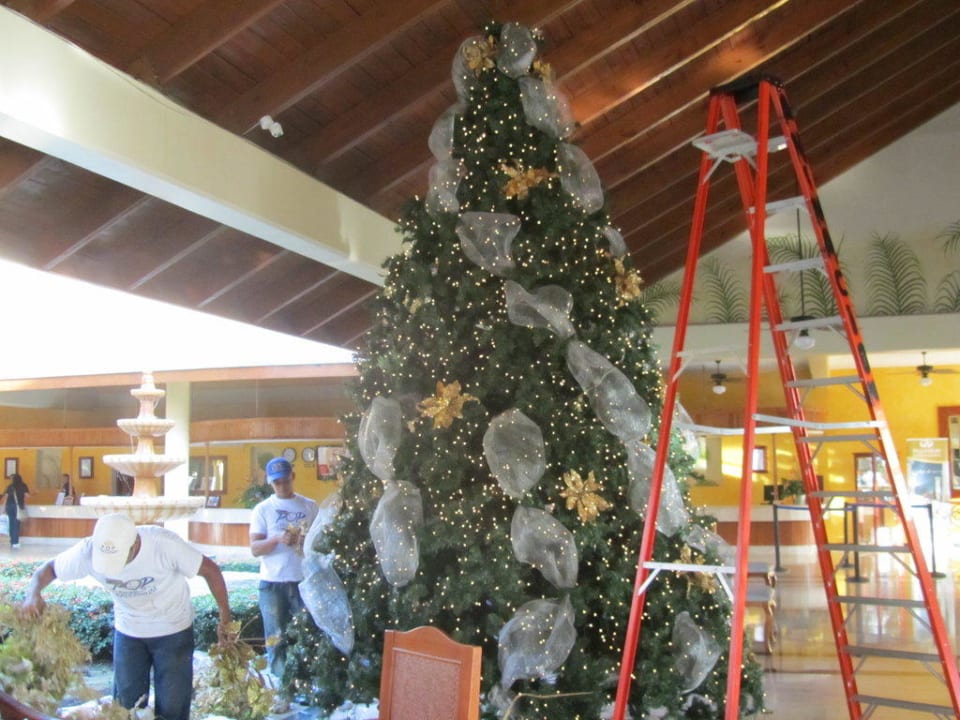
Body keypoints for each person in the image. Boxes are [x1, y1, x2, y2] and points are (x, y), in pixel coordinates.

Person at [22, 513, 233, 720]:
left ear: (134, 544)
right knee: (125, 706)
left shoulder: (163, 544)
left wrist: (225, 618)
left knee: (172, 706)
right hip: (129, 631)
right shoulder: (88, 550)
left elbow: (211, 571)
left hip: (173, 629)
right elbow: (48, 569)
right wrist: (33, 595)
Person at [250, 457, 318, 674]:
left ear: (293, 477)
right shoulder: (263, 509)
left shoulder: (309, 506)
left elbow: (321, 542)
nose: (281, 486)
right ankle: (281, 684)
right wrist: (276, 539)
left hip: (302, 580)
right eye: (276, 483)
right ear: (270, 483)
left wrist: (304, 541)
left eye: (285, 481)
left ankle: (304, 681)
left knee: (306, 634)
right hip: (272, 582)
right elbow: (255, 548)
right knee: (275, 637)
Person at [1, 472, 30, 548]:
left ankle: (12, 541)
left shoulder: (10, 486)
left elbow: (6, 497)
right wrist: (35, 493)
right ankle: (15, 542)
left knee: (11, 523)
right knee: (16, 524)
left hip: (9, 506)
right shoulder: (23, 486)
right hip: (17, 507)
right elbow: (27, 495)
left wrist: (4, 507)